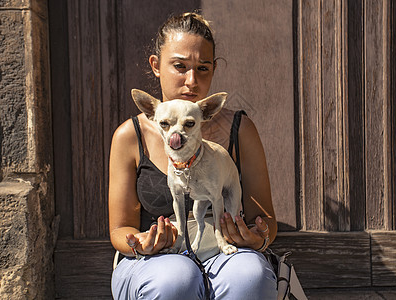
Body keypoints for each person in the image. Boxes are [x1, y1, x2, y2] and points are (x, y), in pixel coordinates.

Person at [109, 12, 278, 300]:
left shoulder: (240, 129)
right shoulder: (130, 135)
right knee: (176, 280)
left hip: (225, 255)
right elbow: (119, 228)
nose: (191, 81)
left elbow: (265, 221)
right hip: (156, 263)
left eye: (202, 68)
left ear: (214, 69)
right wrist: (142, 242)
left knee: (250, 277)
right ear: (156, 65)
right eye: (179, 66)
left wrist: (257, 237)